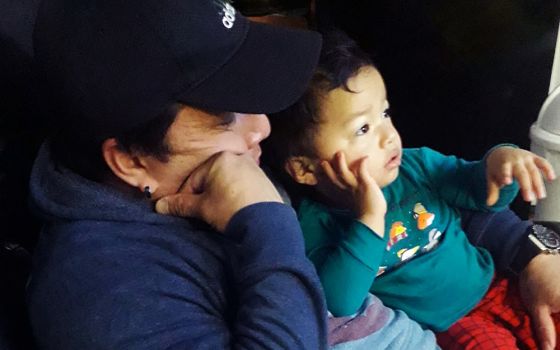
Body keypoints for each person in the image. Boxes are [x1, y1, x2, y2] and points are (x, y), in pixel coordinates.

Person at [26, 0, 330, 348]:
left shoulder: (198, 165)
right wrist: (268, 224)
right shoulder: (100, 296)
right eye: (224, 116)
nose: (262, 126)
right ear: (131, 160)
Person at [262, 30, 560, 349]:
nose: (388, 136)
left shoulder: (416, 165)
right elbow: (341, 303)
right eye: (363, 128)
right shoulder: (312, 226)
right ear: (306, 169)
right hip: (453, 325)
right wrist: (370, 215)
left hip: (500, 283)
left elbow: (482, 197)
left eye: (385, 113)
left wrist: (500, 163)